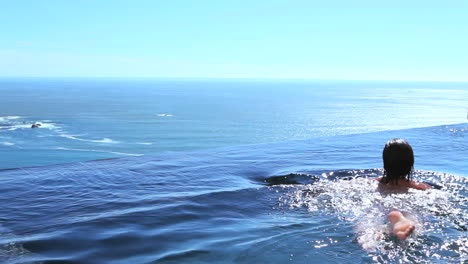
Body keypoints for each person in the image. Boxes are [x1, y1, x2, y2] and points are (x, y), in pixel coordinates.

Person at [375, 138, 431, 240]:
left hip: (382, 206)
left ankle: (370, 241)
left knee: (367, 224)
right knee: (414, 218)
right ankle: (400, 219)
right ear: (411, 164)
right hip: (406, 204)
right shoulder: (422, 187)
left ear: (385, 163)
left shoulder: (373, 182)